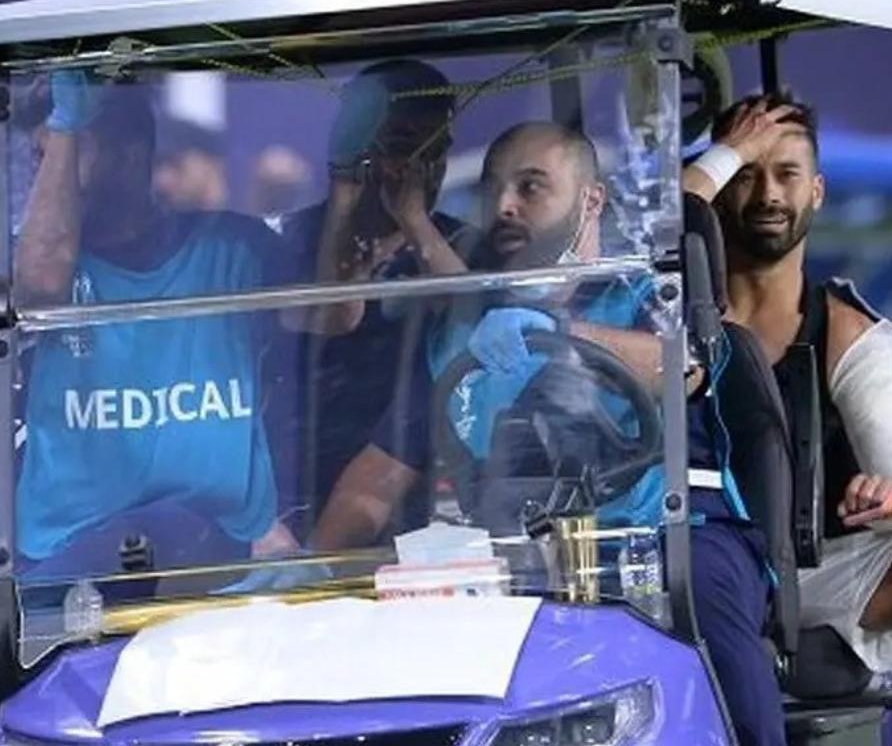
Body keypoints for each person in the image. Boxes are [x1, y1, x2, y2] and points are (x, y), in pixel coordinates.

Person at [686, 92, 892, 746]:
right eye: (746, 172)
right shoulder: (667, 307)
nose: (768, 194)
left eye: (787, 174)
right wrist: (723, 154)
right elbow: (671, 216)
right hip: (688, 558)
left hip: (812, 575)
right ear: (717, 185)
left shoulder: (847, 332)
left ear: (817, 191)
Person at [310, 121, 668, 549]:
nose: (503, 206)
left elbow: (681, 366)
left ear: (591, 200)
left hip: (642, 549)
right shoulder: (461, 335)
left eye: (530, 188)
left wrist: (560, 333)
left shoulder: (638, 291)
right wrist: (310, 568)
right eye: (492, 189)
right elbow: (375, 483)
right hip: (509, 559)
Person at [13, 71, 296, 572]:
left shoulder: (236, 249)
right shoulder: (32, 259)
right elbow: (39, 289)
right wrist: (67, 125)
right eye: (41, 158)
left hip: (218, 548)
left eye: (65, 152)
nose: (45, 180)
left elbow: (334, 316)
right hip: (68, 558)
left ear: (131, 157)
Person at [276, 60, 475, 511]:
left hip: (420, 487)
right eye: (403, 148)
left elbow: (476, 326)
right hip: (304, 484)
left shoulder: (460, 244)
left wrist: (415, 223)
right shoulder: (296, 237)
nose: (423, 169)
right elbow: (329, 315)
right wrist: (343, 205)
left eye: (436, 150)